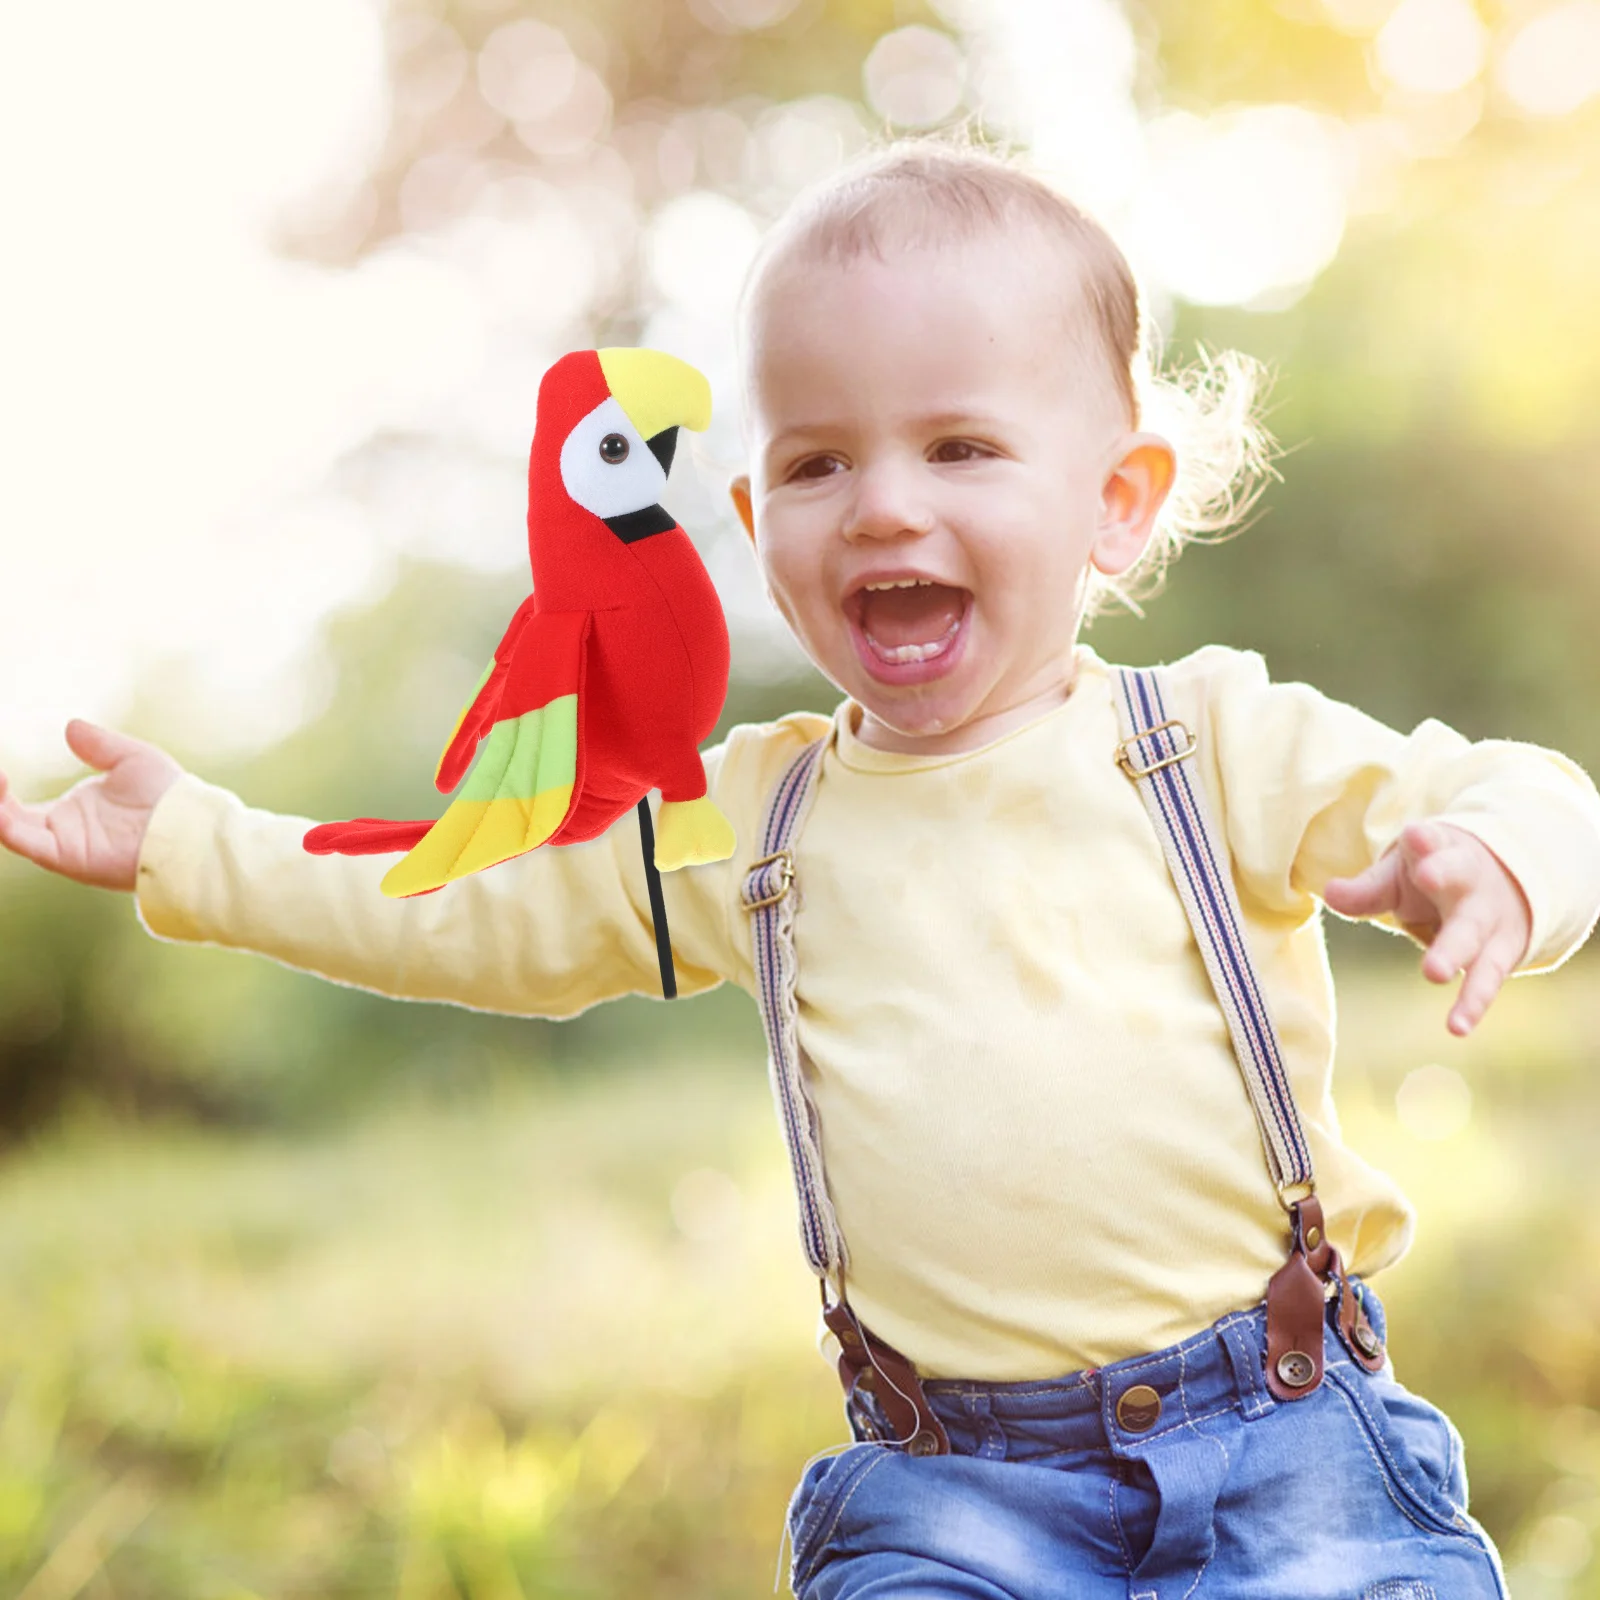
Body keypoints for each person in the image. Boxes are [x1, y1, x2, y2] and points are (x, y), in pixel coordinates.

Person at [3, 142, 1598, 1598]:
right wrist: (204, 845)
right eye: (821, 465)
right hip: (950, 1492)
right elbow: (477, 912)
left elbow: (1522, 783)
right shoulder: (752, 818)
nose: (884, 503)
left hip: (1288, 1449)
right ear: (758, 518)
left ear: (1115, 506)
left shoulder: (1209, 741)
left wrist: (1504, 860)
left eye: (962, 445)